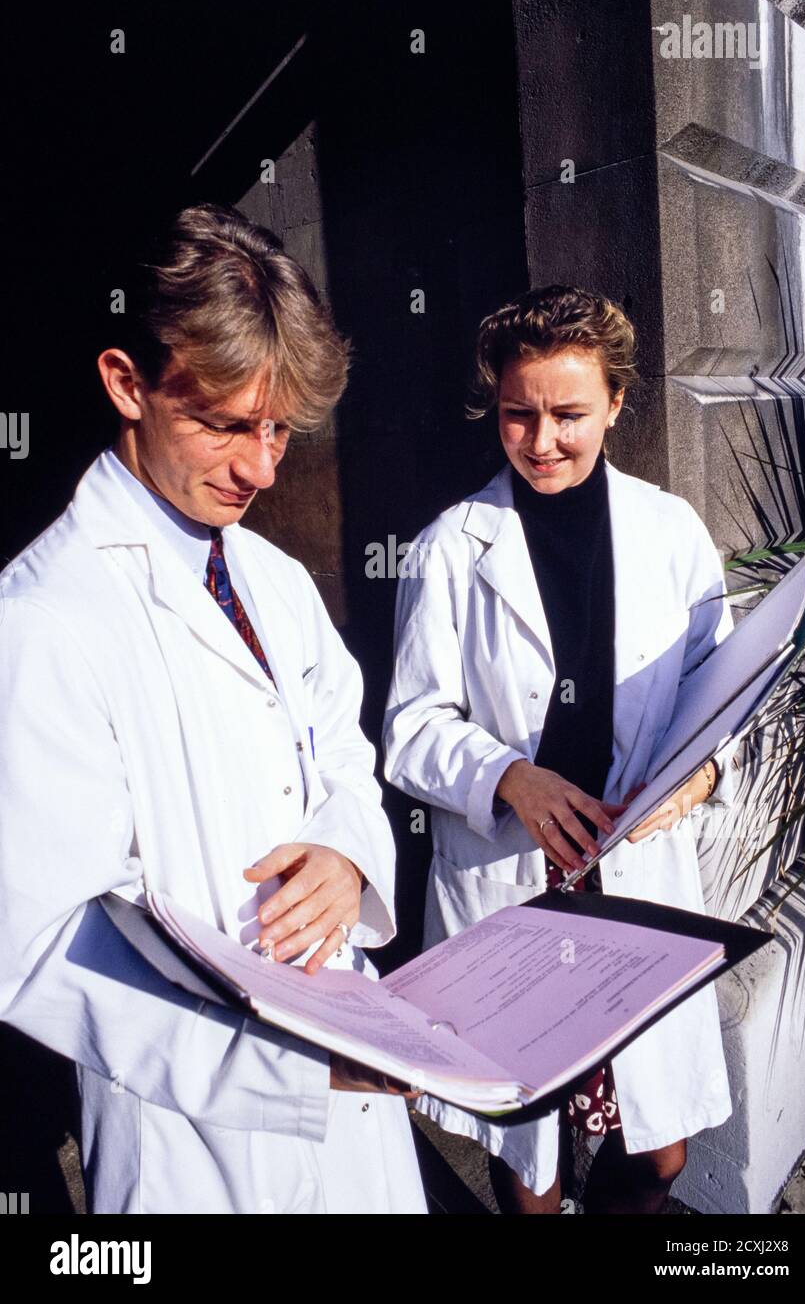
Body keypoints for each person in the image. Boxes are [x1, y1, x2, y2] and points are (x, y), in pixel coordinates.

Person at [0, 202, 427, 1215]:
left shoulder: (273, 579)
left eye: (279, 428)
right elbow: (39, 949)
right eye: (228, 425)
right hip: (196, 1138)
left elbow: (344, 759)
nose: (262, 467)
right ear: (126, 384)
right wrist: (284, 1073)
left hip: (347, 1059)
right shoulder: (45, 616)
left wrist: (348, 855)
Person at [383, 284, 738, 1215]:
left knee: (656, 1150)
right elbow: (410, 726)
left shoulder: (671, 533)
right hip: (518, 881)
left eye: (568, 414)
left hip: (636, 875)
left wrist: (700, 777)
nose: (542, 441)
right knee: (529, 1152)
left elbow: (727, 689)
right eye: (518, 414)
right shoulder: (447, 548)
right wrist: (507, 776)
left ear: (616, 404)